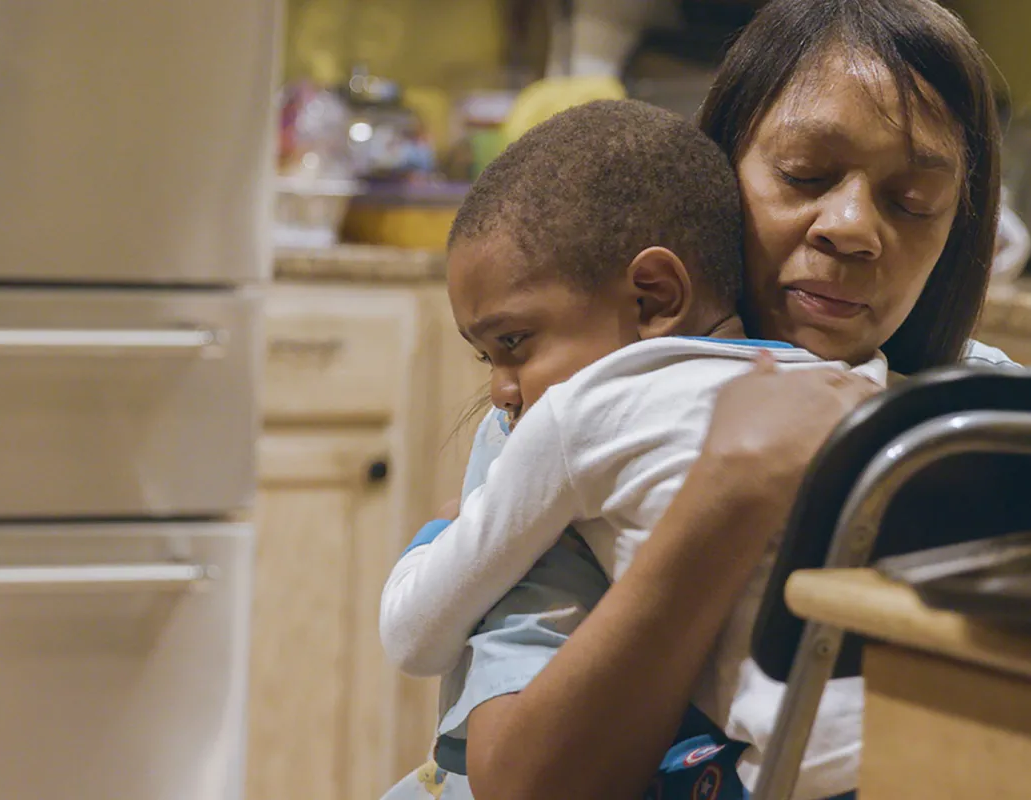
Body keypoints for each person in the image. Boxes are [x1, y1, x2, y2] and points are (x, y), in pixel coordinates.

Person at [394, 1, 1016, 798]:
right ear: (720, 166)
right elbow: (526, 783)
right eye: (804, 175)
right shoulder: (577, 406)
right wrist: (728, 491)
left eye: (912, 202)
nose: (852, 227)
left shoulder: (977, 410)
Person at [380, 97, 888, 798]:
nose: (501, 391)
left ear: (653, 297)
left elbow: (414, 635)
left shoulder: (576, 413)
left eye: (513, 343)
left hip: (795, 773)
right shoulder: (849, 381)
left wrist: (441, 531)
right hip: (927, 743)